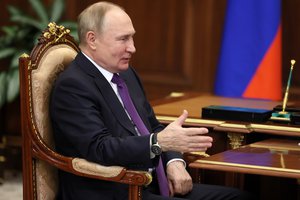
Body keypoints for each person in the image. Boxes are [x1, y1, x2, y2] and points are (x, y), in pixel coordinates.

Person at [50, 1, 254, 200]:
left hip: (152, 182)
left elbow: (153, 127)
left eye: (132, 38)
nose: (133, 48)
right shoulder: (73, 86)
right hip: (115, 190)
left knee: (239, 196)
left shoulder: (126, 74)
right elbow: (101, 148)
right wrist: (157, 144)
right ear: (92, 39)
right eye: (123, 39)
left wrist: (174, 161)